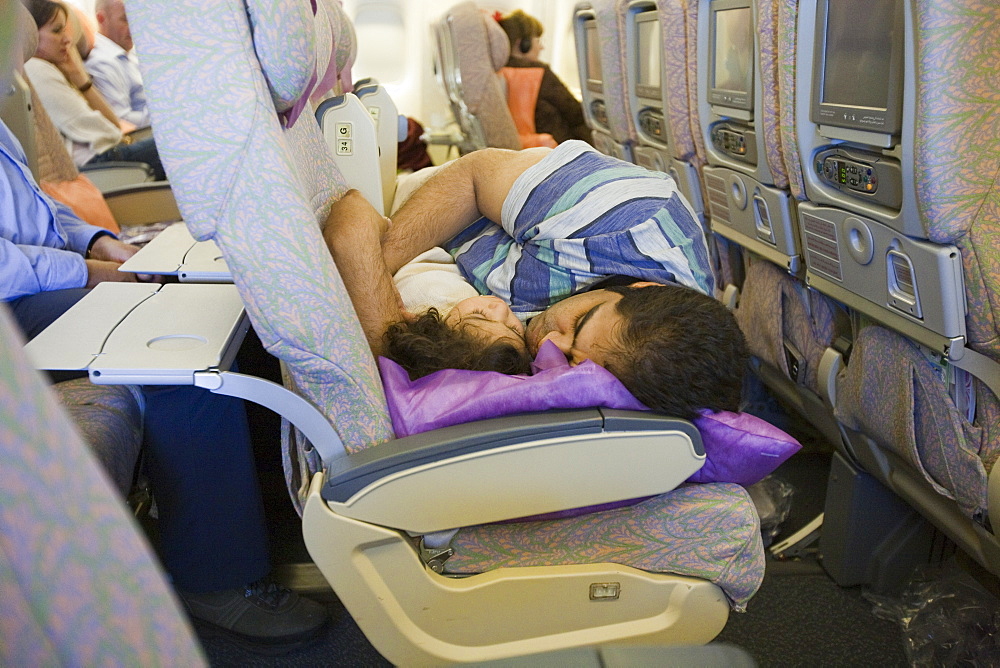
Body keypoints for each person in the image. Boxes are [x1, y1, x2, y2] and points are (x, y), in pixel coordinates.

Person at [0, 117, 328, 644]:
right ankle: (216, 578)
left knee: (228, 308)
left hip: (38, 287)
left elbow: (35, 206)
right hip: (15, 305)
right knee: (181, 359)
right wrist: (83, 271)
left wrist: (99, 240)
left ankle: (278, 510)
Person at [369, 140, 749, 420]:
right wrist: (376, 261)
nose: (547, 342)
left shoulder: (662, 371)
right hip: (420, 223)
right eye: (579, 323)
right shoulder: (628, 219)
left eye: (570, 361)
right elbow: (475, 176)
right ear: (641, 290)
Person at [324, 190, 532, 378]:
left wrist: (383, 230)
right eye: (514, 329)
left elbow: (352, 214)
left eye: (478, 315)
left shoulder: (401, 324)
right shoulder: (477, 340)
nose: (500, 307)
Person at [22, 0, 165, 180]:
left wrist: (80, 79)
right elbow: (109, 132)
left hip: (105, 157)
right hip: (97, 164)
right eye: (57, 31)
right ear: (30, 36)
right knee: (175, 142)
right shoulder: (36, 69)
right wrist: (120, 138)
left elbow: (113, 124)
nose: (67, 39)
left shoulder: (52, 69)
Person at [495, 10, 591, 146]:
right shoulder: (538, 73)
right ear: (523, 44)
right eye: (538, 41)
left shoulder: (497, 71)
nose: (541, 47)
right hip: (556, 148)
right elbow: (575, 113)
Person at [84, 0, 150, 129]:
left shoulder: (129, 53)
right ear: (101, 18)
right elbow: (121, 119)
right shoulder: (102, 62)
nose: (134, 26)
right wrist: (164, 115)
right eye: (126, 19)